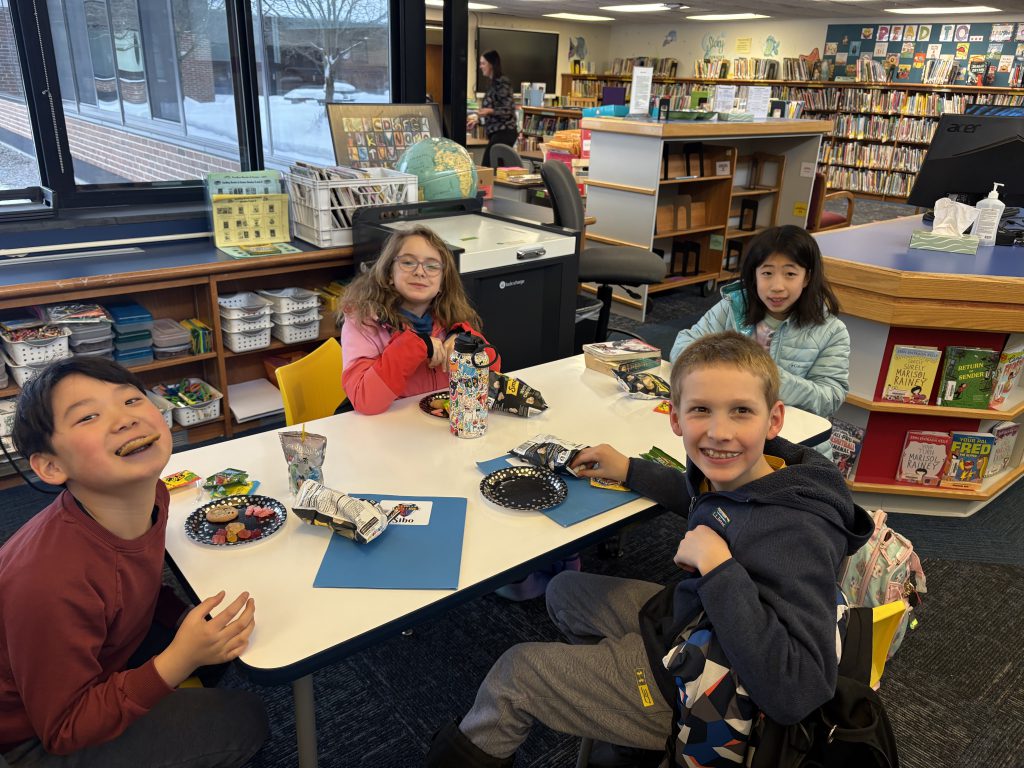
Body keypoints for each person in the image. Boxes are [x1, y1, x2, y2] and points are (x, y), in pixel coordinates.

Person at [424, 331, 872, 768]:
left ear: (773, 419)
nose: (719, 432)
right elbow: (710, 502)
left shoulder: (795, 534)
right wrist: (630, 469)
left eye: (740, 411)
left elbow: (797, 691)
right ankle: (624, 725)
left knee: (514, 676)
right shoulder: (760, 471)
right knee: (565, 591)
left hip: (717, 689)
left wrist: (718, 568)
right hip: (700, 622)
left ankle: (651, 712)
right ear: (675, 418)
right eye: (701, 410)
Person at [0, 357, 268, 767]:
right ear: (51, 466)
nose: (124, 420)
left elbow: (132, 586)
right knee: (245, 719)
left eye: (130, 400)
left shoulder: (150, 493)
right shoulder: (47, 582)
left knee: (224, 648)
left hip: (100, 659)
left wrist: (181, 621)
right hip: (32, 736)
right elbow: (62, 728)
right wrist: (179, 658)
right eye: (88, 416)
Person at [670, 225, 850, 421]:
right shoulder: (733, 307)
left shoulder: (831, 331)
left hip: (788, 437)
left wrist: (764, 378)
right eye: (767, 273)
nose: (777, 287)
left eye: (790, 274)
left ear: (806, 277)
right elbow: (683, 347)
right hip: (727, 422)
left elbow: (829, 399)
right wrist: (725, 369)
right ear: (754, 275)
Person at [340, 224, 500, 414]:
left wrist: (468, 343)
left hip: (440, 429)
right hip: (391, 431)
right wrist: (417, 345)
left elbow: (493, 372)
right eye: (408, 263)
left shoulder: (452, 319)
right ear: (390, 273)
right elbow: (365, 399)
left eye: (432, 266)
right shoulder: (364, 322)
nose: (420, 272)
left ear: (443, 282)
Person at [468, 50, 517, 168]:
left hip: (504, 133)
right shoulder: (492, 84)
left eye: (483, 63)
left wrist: (489, 111)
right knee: (494, 169)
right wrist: (477, 119)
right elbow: (492, 111)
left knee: (487, 167)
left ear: (491, 64)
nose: (480, 67)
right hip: (497, 133)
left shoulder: (502, 82)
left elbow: (507, 110)